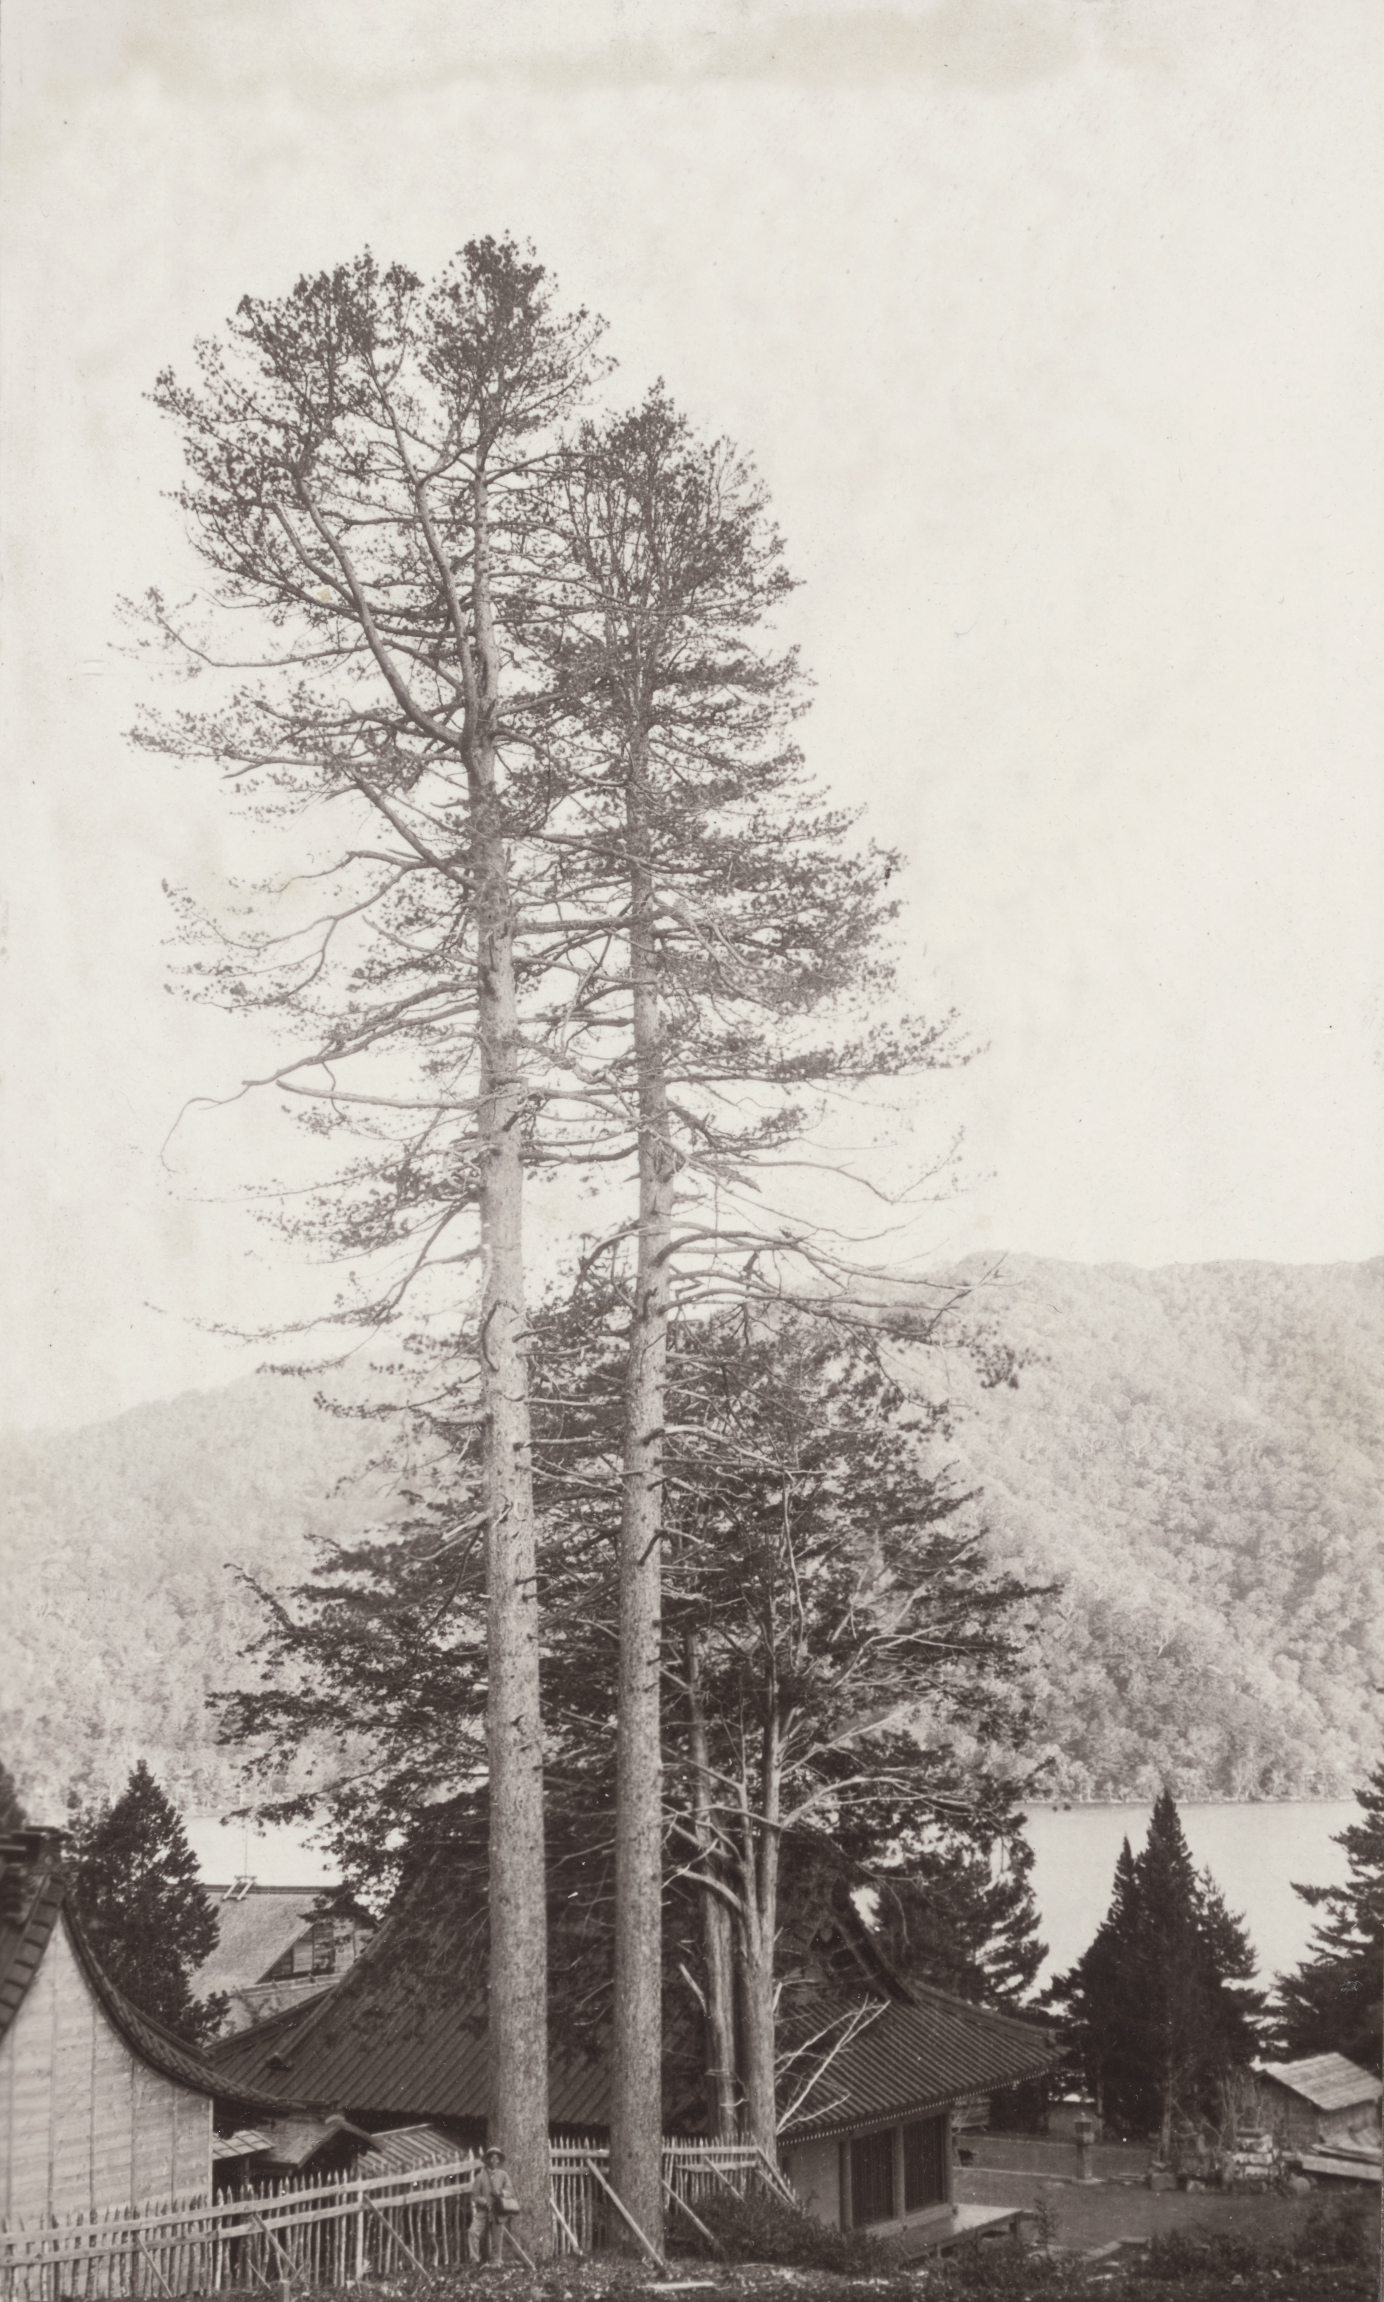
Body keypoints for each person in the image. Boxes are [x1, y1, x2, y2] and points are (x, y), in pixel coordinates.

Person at [467, 2146, 520, 2265]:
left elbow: (510, 2192)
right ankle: (474, 2260)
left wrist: (501, 2193)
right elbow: (474, 2196)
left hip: (498, 2212)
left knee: (497, 2239)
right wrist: (484, 2201)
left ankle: (496, 2262)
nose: (494, 2161)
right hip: (483, 2212)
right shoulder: (480, 2176)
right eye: (492, 2158)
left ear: (499, 2161)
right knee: (472, 2232)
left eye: (497, 2158)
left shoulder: (503, 2175)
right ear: (488, 2160)